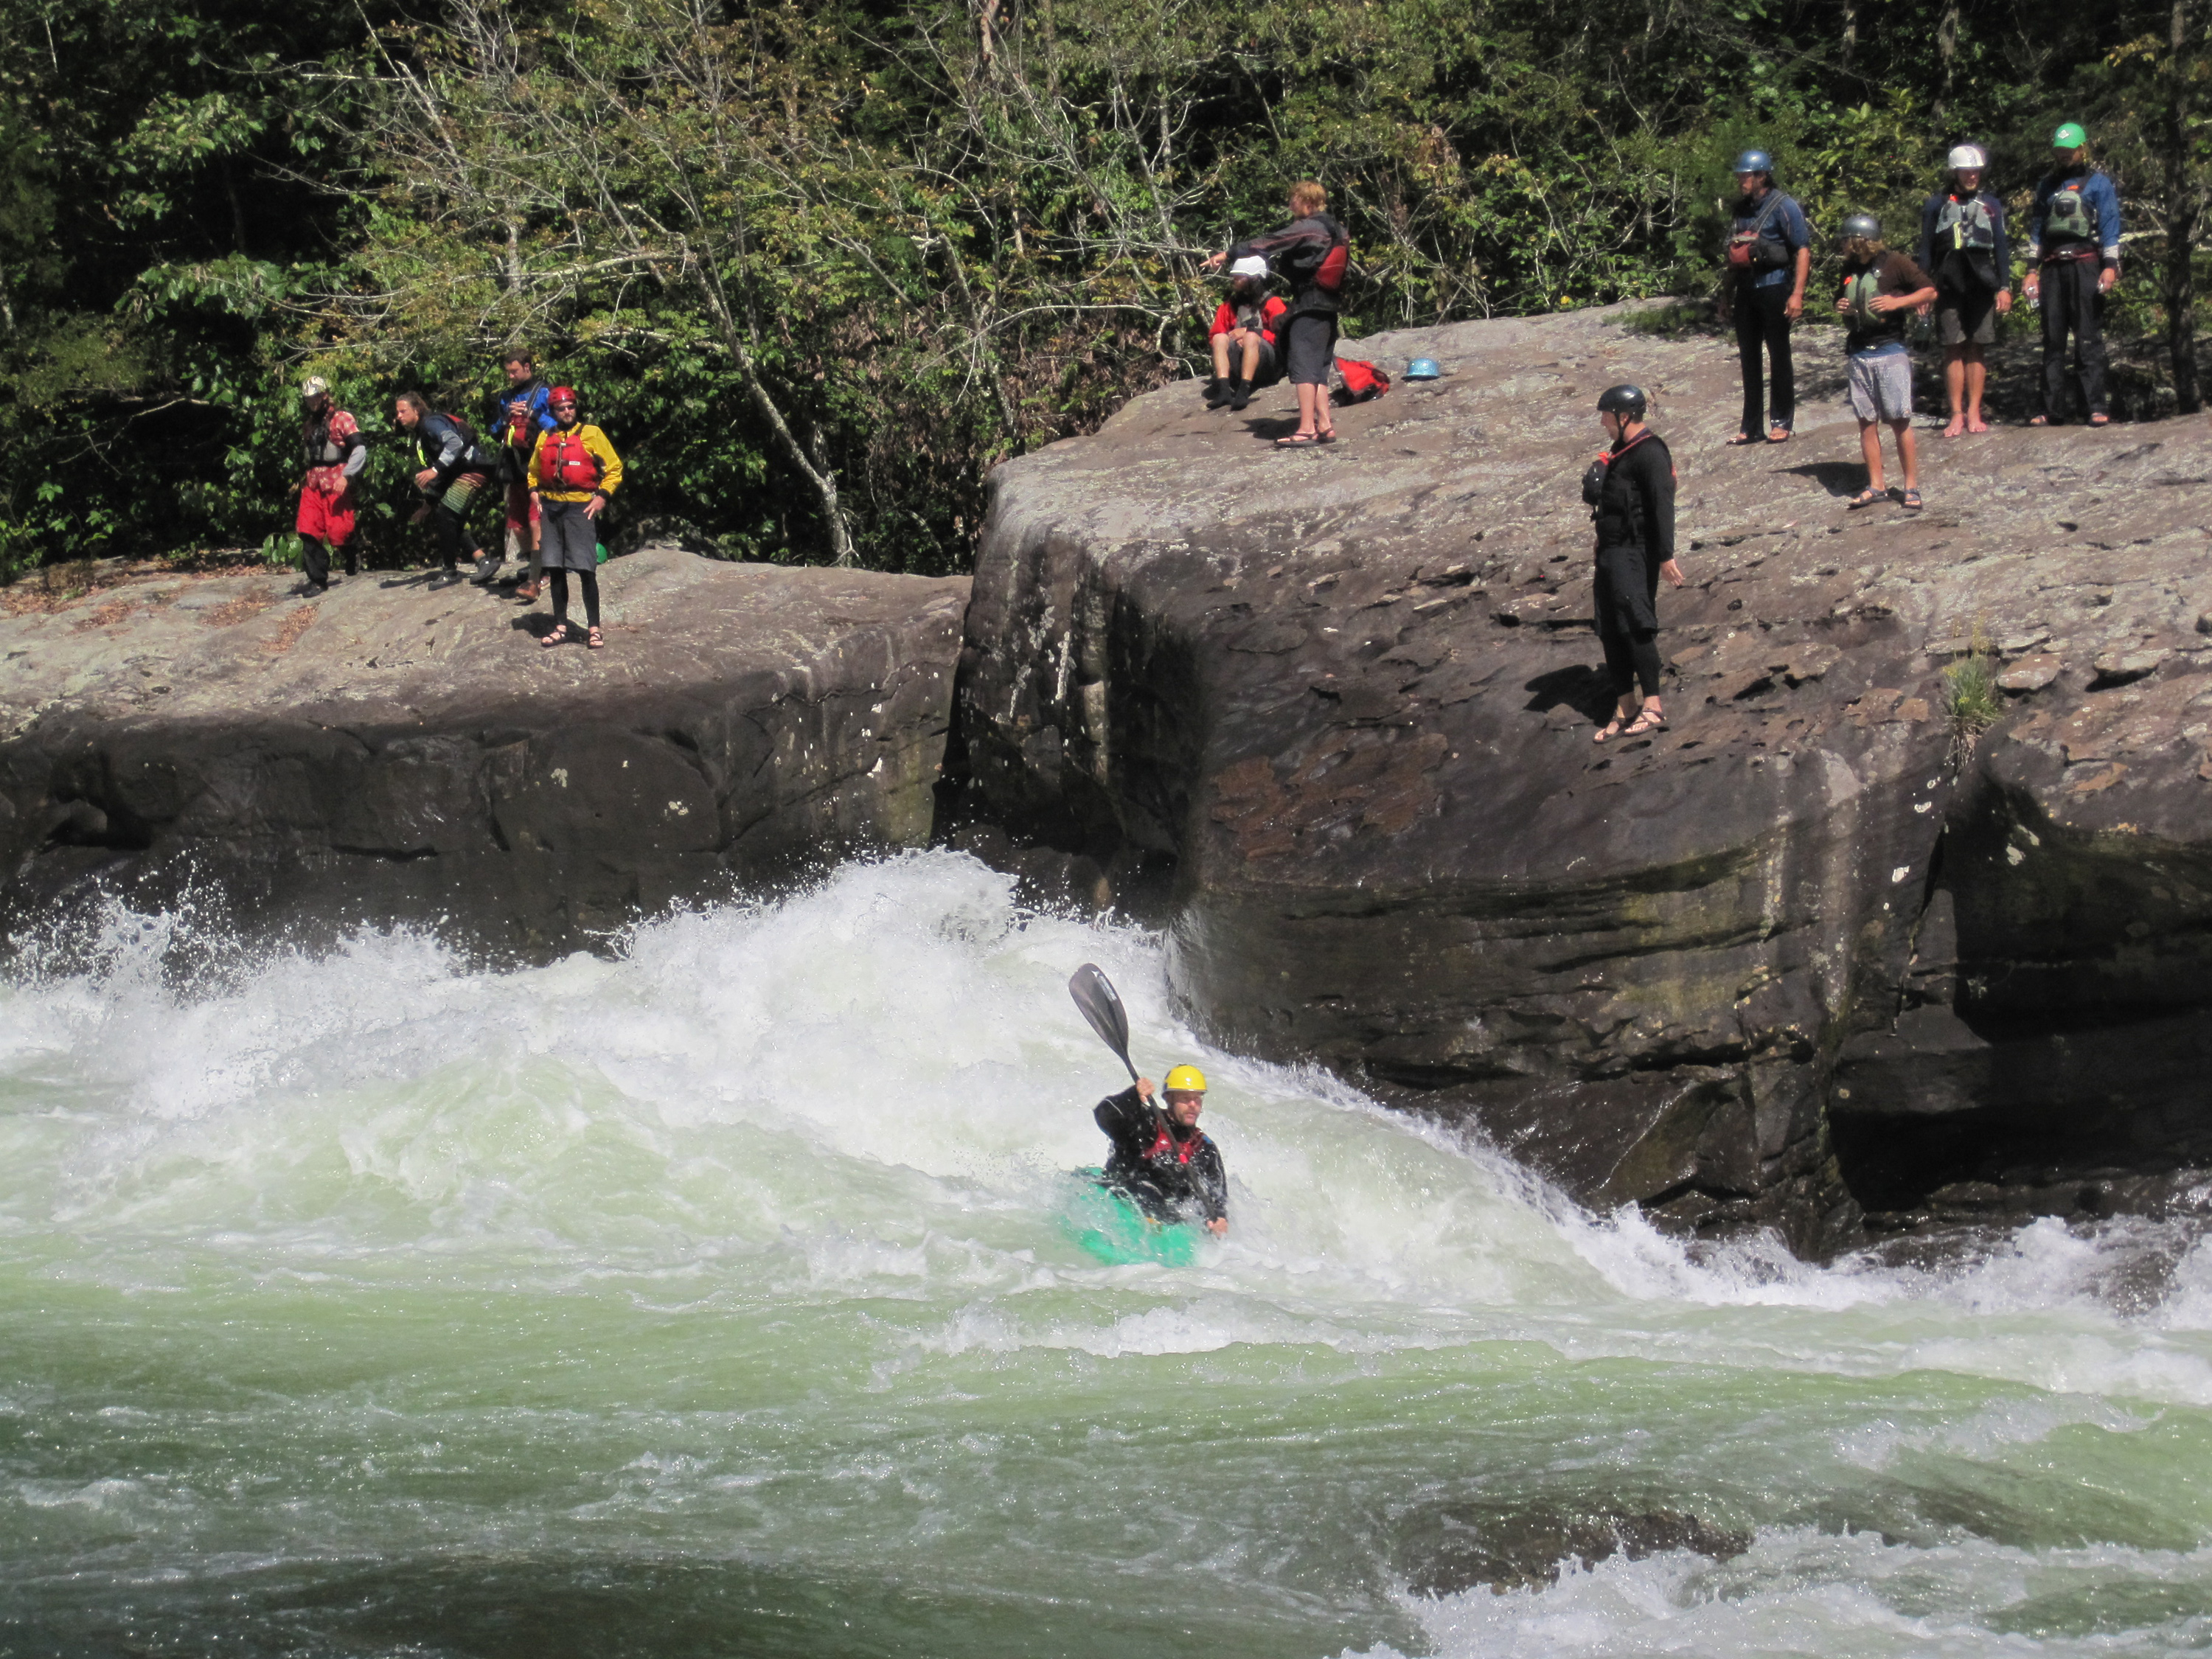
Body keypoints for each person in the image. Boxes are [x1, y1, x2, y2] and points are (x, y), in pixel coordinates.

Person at [1200, 180, 1349, 448]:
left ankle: (1305, 428)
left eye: (1293, 200)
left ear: (1306, 201)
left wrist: (1228, 253)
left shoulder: (1309, 227)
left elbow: (1270, 242)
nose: (1290, 205)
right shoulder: (1338, 229)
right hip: (1329, 307)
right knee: (1319, 369)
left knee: (1303, 367)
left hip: (1309, 304)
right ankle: (1324, 425)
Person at [1583, 384, 1684, 742]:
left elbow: (1662, 504)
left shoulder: (1650, 451)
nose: (1603, 422)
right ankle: (1625, 704)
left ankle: (1653, 705)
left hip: (1634, 551)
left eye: (1607, 416)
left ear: (1625, 416)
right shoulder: (1621, 449)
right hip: (1610, 550)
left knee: (1635, 624)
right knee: (1609, 627)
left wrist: (1665, 556)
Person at [1834, 213, 1938, 509]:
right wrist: (1839, 305)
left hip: (1889, 350)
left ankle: (1911, 487)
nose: (1843, 245)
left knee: (1900, 420)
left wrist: (1897, 303)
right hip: (1858, 351)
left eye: (1846, 240)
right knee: (1866, 422)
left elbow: (1930, 290)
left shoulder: (1896, 263)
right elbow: (1840, 297)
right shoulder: (1849, 268)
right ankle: (1876, 485)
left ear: (1860, 241)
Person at [2025, 121, 2123, 427]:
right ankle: (2051, 408)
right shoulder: (2047, 185)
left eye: (2069, 150)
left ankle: (2094, 406)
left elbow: (2109, 224)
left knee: (2087, 337)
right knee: (2053, 338)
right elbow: (2038, 228)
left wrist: (2110, 266)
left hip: (2086, 264)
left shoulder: (2098, 183)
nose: (2064, 155)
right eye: (2060, 151)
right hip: (2053, 266)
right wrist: (2030, 270)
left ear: (2082, 149)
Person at [1715, 149, 1812, 445]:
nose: (1741, 181)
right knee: (1748, 357)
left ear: (1762, 176)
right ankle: (1751, 426)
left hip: (1775, 286)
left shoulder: (1785, 206)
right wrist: (1725, 295)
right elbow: (1734, 255)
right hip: (1746, 289)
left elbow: (1803, 249)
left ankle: (1782, 421)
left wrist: (1797, 294)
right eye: (1740, 176)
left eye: (1745, 176)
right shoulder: (1741, 210)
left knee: (1779, 354)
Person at [1916, 145, 2012, 437]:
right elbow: (1926, 247)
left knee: (1977, 346)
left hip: (1982, 282)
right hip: (1948, 282)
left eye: (1976, 171)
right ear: (1955, 172)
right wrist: (1923, 287)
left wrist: (2004, 286)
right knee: (1952, 346)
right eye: (1967, 171)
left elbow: (2001, 247)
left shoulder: (1991, 205)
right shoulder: (1937, 205)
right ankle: (1956, 413)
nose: (1972, 176)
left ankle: (1974, 411)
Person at [527, 385, 623, 650]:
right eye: (561, 408)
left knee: (585, 569)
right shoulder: (545, 436)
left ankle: (594, 629)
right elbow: (533, 470)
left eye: (571, 407)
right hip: (551, 508)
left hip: (581, 508)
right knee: (556, 569)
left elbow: (614, 469)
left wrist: (602, 496)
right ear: (553, 411)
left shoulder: (592, 434)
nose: (567, 412)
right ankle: (561, 626)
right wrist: (534, 491)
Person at [1093, 1065, 1228, 1234]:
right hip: (1122, 1197)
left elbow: (1217, 1195)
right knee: (1146, 1189)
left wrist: (1220, 1218)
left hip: (1165, 1219)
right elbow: (1104, 1115)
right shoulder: (1144, 1122)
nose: (1193, 1105)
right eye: (1185, 1099)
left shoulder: (1205, 1148)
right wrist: (1133, 1095)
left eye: (1197, 1099)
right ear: (1169, 1099)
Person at [394, 391, 493, 587]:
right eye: (397, 413)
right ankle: (484, 561)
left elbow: (455, 443)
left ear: (417, 410)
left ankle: (450, 571)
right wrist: (427, 504)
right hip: (465, 471)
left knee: (446, 513)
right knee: (449, 516)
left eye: (403, 411)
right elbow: (445, 474)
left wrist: (434, 469)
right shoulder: (423, 431)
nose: (398, 416)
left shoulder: (431, 424)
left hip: (475, 470)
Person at [483, 350, 557, 594]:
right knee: (517, 525)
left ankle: (543, 572)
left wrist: (532, 414)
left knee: (537, 519)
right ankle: (533, 563)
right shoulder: (506, 397)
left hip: (539, 464)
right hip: (513, 466)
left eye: (514, 371)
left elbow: (558, 427)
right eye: (508, 372)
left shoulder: (545, 391)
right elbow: (494, 432)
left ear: (527, 367)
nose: (511, 376)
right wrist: (507, 417)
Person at [295, 376, 367, 597]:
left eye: (315, 397)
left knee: (339, 532)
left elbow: (360, 449)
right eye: (308, 399)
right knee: (307, 529)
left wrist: (346, 475)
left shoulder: (342, 419)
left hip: (336, 481)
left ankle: (351, 551)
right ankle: (317, 579)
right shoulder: (309, 425)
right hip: (313, 483)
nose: (312, 402)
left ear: (325, 395)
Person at [1204, 256, 1288, 412]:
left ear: (1254, 278)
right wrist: (1234, 339)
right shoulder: (1229, 306)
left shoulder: (1273, 303)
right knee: (1219, 338)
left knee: (1250, 337)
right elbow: (1214, 337)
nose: (1234, 280)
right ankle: (1224, 391)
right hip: (1238, 361)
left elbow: (1285, 338)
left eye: (1239, 277)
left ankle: (1244, 391)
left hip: (1269, 367)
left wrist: (1253, 333)